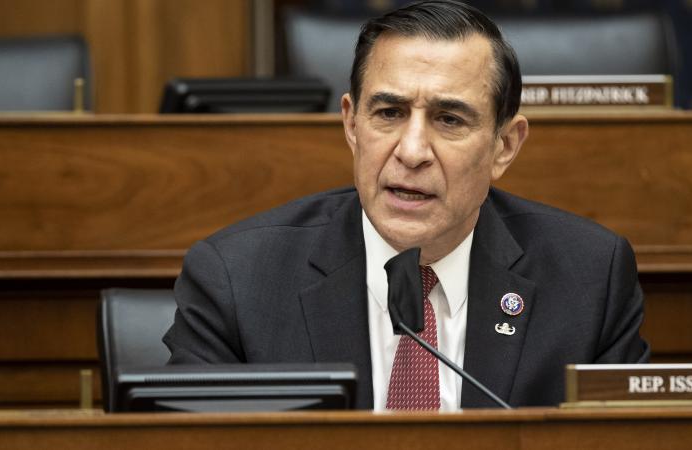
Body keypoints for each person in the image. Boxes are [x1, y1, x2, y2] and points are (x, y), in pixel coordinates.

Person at [163, 0, 649, 411]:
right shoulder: (238, 280)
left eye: (449, 119)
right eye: (389, 113)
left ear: (504, 145)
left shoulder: (590, 280)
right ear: (352, 125)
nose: (411, 151)